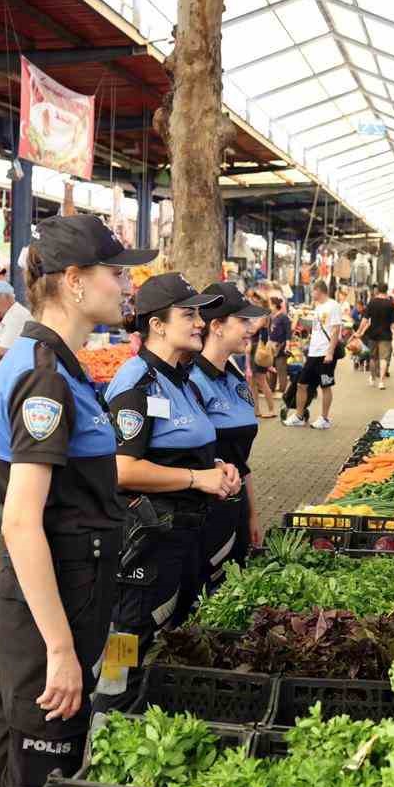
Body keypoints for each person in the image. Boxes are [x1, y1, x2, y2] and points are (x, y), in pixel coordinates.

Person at [0, 215, 154, 787]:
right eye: (117, 271)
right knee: (41, 768)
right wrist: (59, 649)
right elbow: (23, 519)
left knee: (13, 745)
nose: (128, 282)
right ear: (74, 283)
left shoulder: (51, 362)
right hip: (57, 594)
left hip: (59, 585)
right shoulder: (45, 373)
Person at [99, 274, 241, 711]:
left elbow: (177, 447)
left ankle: (143, 714)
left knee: (166, 634)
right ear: (156, 325)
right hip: (145, 545)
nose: (200, 322)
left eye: (200, 314)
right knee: (127, 637)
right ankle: (109, 720)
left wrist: (213, 467)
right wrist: (198, 480)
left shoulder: (182, 379)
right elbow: (123, 469)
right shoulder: (135, 383)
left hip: (179, 539)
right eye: (189, 314)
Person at [190, 283, 267, 593]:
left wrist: (252, 514)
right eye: (242, 321)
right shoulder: (192, 381)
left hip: (234, 507)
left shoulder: (233, 375)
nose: (250, 329)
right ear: (217, 326)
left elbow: (241, 459)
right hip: (203, 515)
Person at [282, 280, 342, 430]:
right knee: (302, 384)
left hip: (325, 353)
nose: (311, 294)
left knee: (325, 385)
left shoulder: (333, 306)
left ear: (319, 290)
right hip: (313, 353)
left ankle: (325, 418)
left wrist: (330, 352)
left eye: (313, 291)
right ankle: (299, 416)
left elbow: (336, 330)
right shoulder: (318, 307)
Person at [356, 285, 394, 390]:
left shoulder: (372, 302)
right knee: (383, 358)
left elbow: (365, 319)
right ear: (386, 290)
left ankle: (372, 377)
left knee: (372, 357)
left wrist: (359, 331)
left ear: (378, 290)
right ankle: (381, 382)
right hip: (386, 335)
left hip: (373, 334)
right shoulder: (390, 304)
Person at [246, 289, 278, 418]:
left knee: (261, 381)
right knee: (252, 382)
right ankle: (256, 410)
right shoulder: (260, 313)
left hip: (260, 350)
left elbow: (253, 330)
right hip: (255, 348)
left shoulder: (263, 315)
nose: (253, 301)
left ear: (262, 301)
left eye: (256, 299)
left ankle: (271, 409)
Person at [267, 295, 293, 397]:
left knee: (281, 367)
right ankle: (271, 387)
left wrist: (287, 344)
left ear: (274, 305)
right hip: (272, 346)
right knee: (271, 367)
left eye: (270, 305)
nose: (269, 307)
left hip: (280, 345)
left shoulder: (283, 317)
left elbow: (288, 332)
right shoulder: (272, 317)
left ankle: (282, 389)